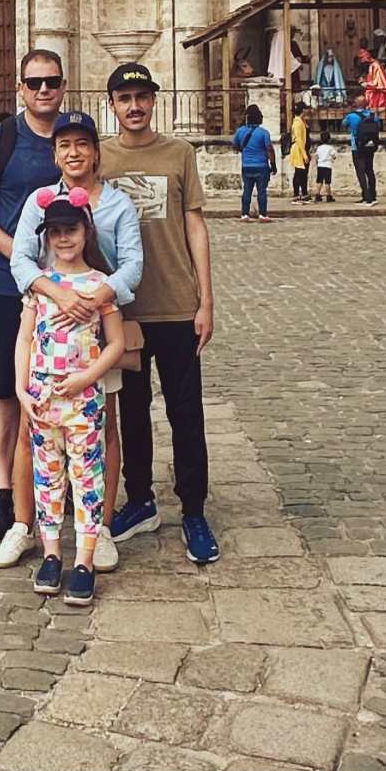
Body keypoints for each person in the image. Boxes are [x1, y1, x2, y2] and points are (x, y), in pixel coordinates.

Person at [6, 111, 143, 573]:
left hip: (97, 330)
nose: (74, 153)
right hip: (46, 324)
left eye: (82, 144)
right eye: (65, 145)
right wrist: (58, 293)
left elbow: (132, 266)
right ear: (55, 153)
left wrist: (97, 296)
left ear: (95, 151)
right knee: (33, 433)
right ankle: (25, 525)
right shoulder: (39, 203)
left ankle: (98, 529)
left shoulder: (119, 206)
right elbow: (21, 261)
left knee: (105, 433)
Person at [100, 60, 219, 566]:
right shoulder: (98, 157)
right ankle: (141, 498)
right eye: (124, 99)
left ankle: (193, 508)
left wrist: (206, 299)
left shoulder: (180, 153)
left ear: (153, 101)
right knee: (131, 411)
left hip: (175, 302)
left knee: (185, 410)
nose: (134, 106)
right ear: (111, 106)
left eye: (141, 97)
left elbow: (195, 226)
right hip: (124, 308)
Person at [0, 49, 66, 553]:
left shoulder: (75, 140)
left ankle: (56, 488)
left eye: (51, 82)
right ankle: (2, 490)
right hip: (8, 284)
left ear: (63, 86)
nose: (43, 90)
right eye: (34, 83)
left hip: (69, 289)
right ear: (20, 88)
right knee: (5, 387)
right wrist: (20, 257)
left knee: (65, 387)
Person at [14, 188, 125, 607]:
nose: (63, 238)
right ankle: (50, 552)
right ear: (46, 236)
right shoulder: (41, 285)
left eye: (71, 229)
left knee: (86, 477)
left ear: (85, 231)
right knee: (48, 477)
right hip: (42, 399)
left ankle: (84, 560)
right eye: (55, 231)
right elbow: (24, 339)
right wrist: (22, 390)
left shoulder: (100, 285)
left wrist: (87, 378)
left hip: (83, 399)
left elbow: (114, 344)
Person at [230, 104, 276, 221]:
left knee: (247, 190)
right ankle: (263, 214)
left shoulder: (240, 131)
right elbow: (269, 149)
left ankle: (245, 214)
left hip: (246, 166)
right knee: (262, 191)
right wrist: (273, 165)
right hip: (262, 166)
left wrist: (244, 150)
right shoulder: (263, 133)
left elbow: (235, 146)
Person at [343, 97, 379, 204]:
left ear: (355, 104)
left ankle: (366, 196)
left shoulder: (351, 116)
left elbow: (343, 124)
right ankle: (373, 195)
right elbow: (378, 126)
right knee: (370, 170)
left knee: (360, 171)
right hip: (371, 146)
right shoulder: (373, 116)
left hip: (357, 146)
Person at [287, 97, 311, 203]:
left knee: (302, 172)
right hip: (298, 149)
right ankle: (298, 194)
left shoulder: (301, 121)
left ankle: (303, 193)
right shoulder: (297, 123)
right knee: (299, 172)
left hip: (302, 148)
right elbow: (299, 139)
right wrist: (304, 154)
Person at [312, 129, 337, 203]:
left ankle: (317, 195)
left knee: (319, 181)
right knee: (327, 182)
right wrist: (332, 158)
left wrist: (318, 163)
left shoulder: (319, 148)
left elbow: (316, 157)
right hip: (327, 166)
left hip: (320, 166)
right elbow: (334, 156)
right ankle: (328, 196)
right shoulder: (330, 148)